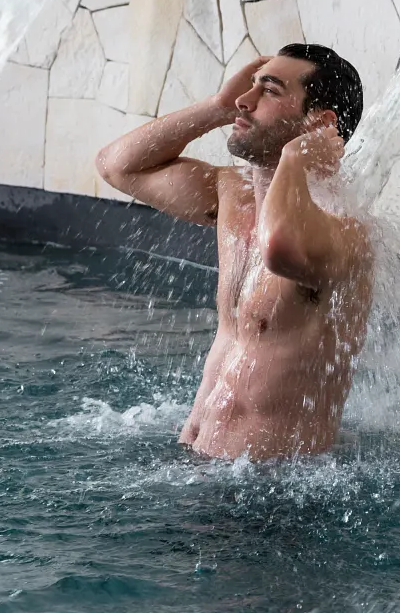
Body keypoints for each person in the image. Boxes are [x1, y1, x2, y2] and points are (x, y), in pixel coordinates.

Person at [95, 45, 374, 460]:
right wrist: (218, 108)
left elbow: (277, 247)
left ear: (319, 123)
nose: (246, 99)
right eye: (250, 86)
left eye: (270, 90)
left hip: (271, 487)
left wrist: (293, 160)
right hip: (200, 464)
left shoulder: (344, 231)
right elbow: (117, 166)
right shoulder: (234, 195)